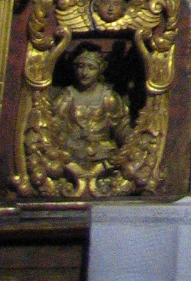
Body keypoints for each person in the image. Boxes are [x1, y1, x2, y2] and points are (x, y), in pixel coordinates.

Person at [45, 45, 131, 185]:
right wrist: (66, 160)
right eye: (80, 66)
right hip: (71, 161)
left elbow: (124, 133)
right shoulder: (67, 97)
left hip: (103, 162)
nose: (84, 73)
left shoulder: (109, 98)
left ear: (100, 69)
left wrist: (113, 159)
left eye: (91, 67)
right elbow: (53, 131)